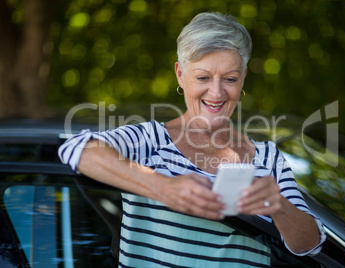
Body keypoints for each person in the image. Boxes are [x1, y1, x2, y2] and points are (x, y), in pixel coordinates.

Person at [59, 12, 326, 267]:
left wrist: (278, 206)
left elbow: (310, 244)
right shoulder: (150, 140)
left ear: (243, 78)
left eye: (230, 79)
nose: (217, 92)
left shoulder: (268, 157)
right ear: (180, 75)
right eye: (203, 77)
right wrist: (163, 188)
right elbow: (76, 148)